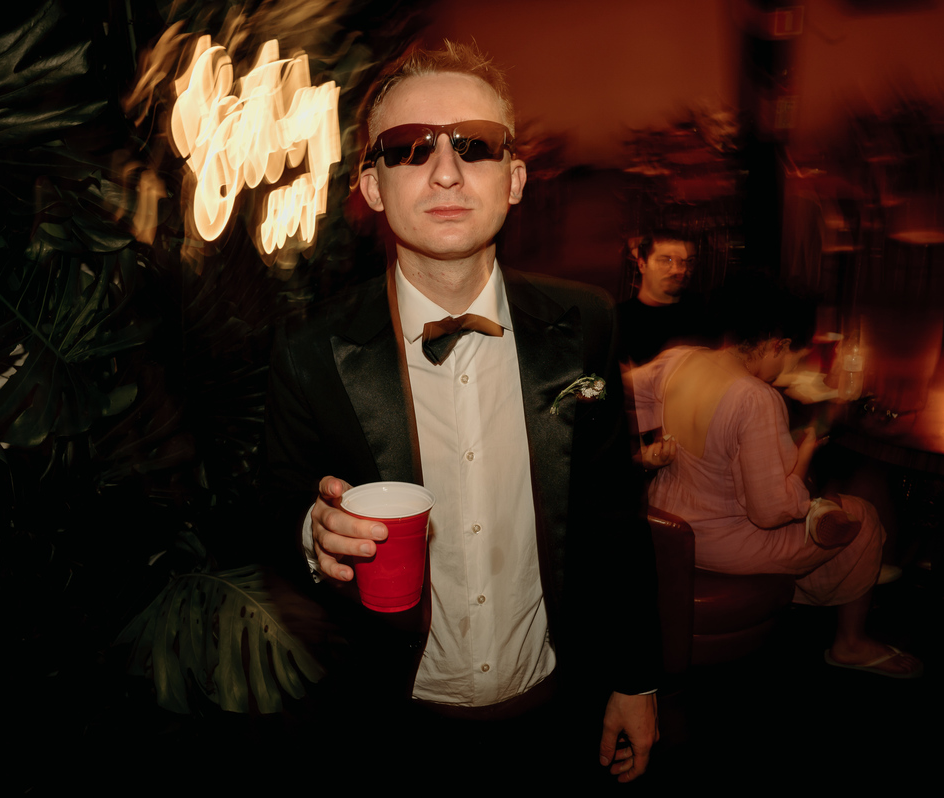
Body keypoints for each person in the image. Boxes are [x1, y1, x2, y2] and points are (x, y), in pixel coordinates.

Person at [265, 41, 661, 783]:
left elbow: (613, 516)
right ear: (373, 186)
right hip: (388, 730)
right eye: (409, 148)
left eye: (474, 145)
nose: (445, 172)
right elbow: (273, 505)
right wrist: (311, 533)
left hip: (558, 712)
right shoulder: (310, 351)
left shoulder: (586, 324)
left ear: (514, 179)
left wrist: (635, 679)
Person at [630, 275, 922, 678]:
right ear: (776, 345)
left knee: (823, 513)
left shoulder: (679, 359)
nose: (786, 371)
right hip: (719, 542)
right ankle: (850, 643)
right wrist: (804, 454)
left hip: (665, 525)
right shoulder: (755, 398)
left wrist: (643, 455)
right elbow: (769, 513)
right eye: (792, 359)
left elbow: (618, 399)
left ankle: (814, 586)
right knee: (863, 518)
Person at [616, 230, 710, 366]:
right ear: (642, 265)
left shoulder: (706, 311)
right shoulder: (618, 320)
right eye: (666, 260)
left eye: (689, 261)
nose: (680, 270)